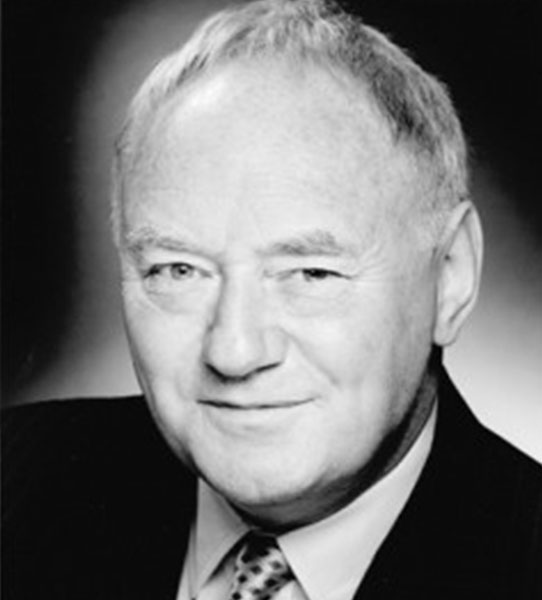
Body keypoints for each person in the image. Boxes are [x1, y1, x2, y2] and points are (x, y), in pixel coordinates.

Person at [3, 1, 541, 598]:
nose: (234, 352)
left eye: (310, 273)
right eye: (179, 270)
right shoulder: (17, 482)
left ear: (451, 277)